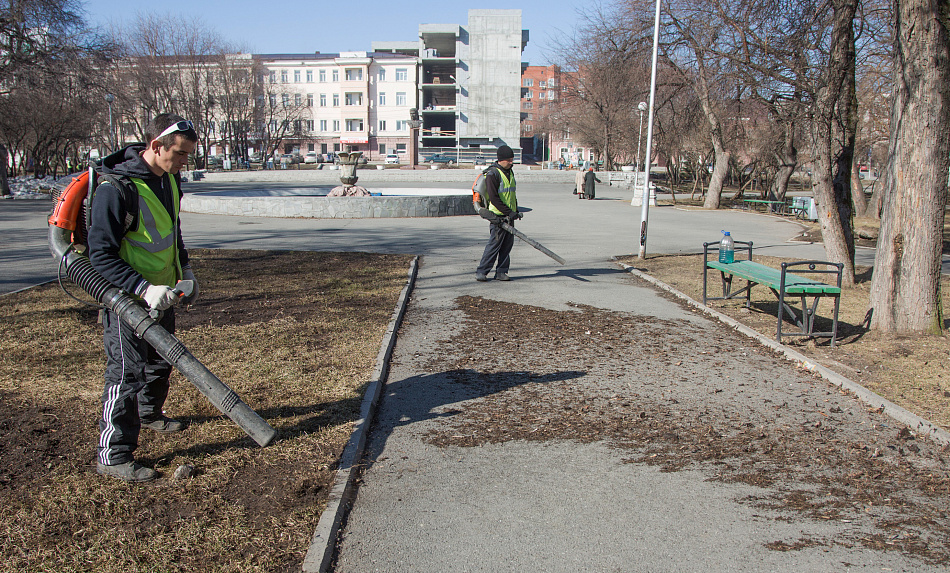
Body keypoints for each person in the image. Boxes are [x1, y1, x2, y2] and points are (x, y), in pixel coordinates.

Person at [87, 113, 199, 482]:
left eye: (187, 156)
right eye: (179, 154)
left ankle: (150, 414)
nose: (184, 163)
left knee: (158, 363)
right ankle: (113, 453)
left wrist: (185, 272)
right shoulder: (116, 189)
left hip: (162, 295)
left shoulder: (168, 180)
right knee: (126, 373)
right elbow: (100, 254)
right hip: (127, 300)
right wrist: (143, 289)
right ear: (156, 146)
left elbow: (172, 231)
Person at [476, 145, 521, 282]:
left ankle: (501, 272)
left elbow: (511, 194)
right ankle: (482, 271)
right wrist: (508, 212)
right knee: (494, 245)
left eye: (512, 159)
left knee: (507, 246)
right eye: (509, 160)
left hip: (509, 215)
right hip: (498, 217)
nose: (511, 162)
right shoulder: (492, 174)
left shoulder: (510, 172)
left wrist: (515, 211)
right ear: (501, 160)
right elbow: (494, 198)